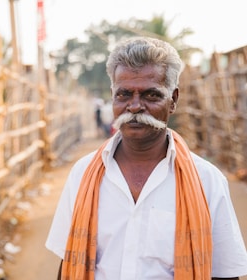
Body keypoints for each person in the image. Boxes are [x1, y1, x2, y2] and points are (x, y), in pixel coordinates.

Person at [46, 37, 247, 279]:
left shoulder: (207, 180)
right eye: (124, 94)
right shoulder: (83, 173)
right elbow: (67, 263)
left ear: (173, 100)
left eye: (151, 95)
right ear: (112, 96)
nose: (134, 106)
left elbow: (225, 274)